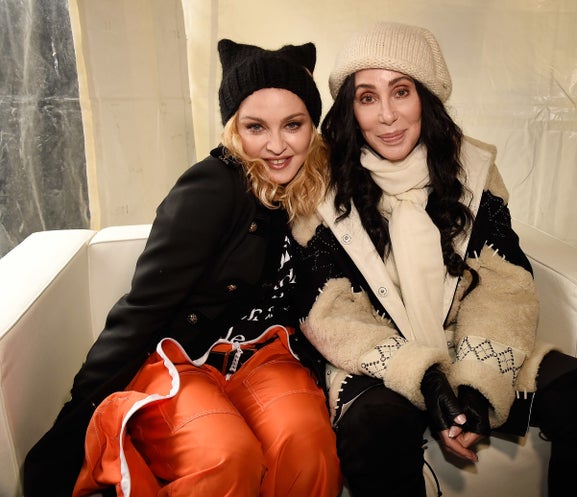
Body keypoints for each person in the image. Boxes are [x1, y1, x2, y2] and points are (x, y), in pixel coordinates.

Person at [290, 22, 577, 497]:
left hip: (465, 341)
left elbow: (503, 284)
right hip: (376, 357)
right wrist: (426, 379)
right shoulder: (319, 189)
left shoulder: (474, 173)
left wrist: (474, 388)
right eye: (367, 97)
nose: (386, 115)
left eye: (401, 92)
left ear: (425, 98)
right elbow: (330, 314)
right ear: (351, 108)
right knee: (375, 432)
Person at [23, 39, 342, 497]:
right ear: (233, 128)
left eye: (293, 125)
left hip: (266, 356)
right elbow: (144, 307)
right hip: (184, 359)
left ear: (313, 127)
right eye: (256, 127)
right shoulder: (210, 187)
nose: (276, 146)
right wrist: (75, 417)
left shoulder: (318, 191)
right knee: (226, 457)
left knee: (307, 447)